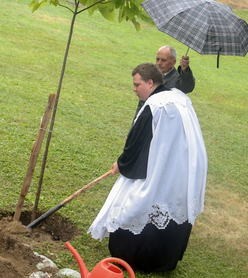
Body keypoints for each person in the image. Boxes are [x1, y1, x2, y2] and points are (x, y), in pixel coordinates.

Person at [88, 62, 207, 273]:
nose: (134, 89)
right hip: (183, 168)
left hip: (165, 167)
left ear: (150, 83)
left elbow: (137, 144)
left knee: (141, 201)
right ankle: (163, 261)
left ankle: (135, 258)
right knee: (172, 202)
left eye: (137, 84)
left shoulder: (155, 105)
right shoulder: (178, 97)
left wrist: (121, 163)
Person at [134, 45, 195, 117]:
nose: (159, 63)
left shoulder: (177, 79)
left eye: (163, 60)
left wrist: (185, 69)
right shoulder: (150, 74)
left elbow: (187, 87)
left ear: (173, 62)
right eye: (157, 59)